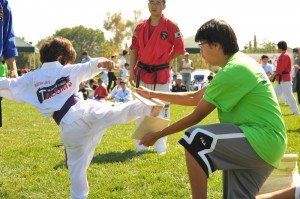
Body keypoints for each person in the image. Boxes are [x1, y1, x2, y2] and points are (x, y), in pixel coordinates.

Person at [136, 19, 287, 199]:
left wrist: (158, 134)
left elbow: (197, 115)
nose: (200, 51)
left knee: (195, 139)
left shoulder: (234, 69)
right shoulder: (238, 64)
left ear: (216, 45)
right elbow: (195, 97)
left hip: (260, 139)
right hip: (265, 143)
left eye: (202, 45)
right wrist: (153, 94)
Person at [0, 36, 161, 199]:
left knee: (76, 172)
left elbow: (7, 84)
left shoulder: (31, 78)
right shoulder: (66, 70)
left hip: (69, 129)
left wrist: (99, 63)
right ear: (61, 59)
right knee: (116, 112)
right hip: (85, 112)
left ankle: (78, 197)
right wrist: (102, 62)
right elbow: (89, 67)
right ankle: (146, 107)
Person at [129, 0, 185, 153]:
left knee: (162, 109)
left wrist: (167, 58)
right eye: (151, 2)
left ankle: (161, 145)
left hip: (160, 73)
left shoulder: (171, 26)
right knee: (142, 108)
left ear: (164, 6)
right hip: (142, 72)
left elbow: (180, 48)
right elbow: (133, 49)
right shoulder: (140, 27)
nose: (154, 6)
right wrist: (131, 71)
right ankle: (141, 145)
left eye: (158, 3)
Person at [272, 41, 299, 115]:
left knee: (289, 95)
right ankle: (272, 111)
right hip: (281, 79)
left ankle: (296, 112)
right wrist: (275, 74)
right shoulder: (283, 55)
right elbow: (279, 69)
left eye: (278, 47)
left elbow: (281, 68)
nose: (277, 49)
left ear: (280, 48)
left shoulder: (285, 56)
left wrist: (274, 75)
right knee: (275, 95)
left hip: (285, 79)